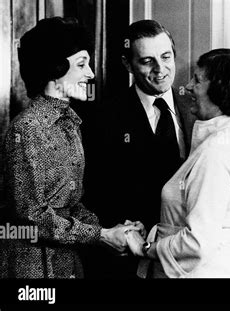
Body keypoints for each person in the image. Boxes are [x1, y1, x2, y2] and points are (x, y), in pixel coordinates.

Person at [0, 17, 141, 279]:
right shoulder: (27, 129)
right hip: (33, 269)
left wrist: (115, 231)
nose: (91, 74)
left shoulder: (70, 123)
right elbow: (31, 218)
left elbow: (72, 205)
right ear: (55, 67)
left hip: (67, 263)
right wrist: (101, 235)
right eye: (82, 64)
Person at [124, 48, 230, 278]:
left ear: (219, 89)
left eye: (198, 79)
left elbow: (198, 242)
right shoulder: (223, 138)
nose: (189, 86)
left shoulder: (217, 153)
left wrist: (146, 248)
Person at [81, 20, 196, 279]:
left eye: (166, 57)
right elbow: (94, 189)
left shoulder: (197, 110)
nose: (160, 70)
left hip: (184, 256)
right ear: (127, 64)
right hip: (127, 260)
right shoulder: (104, 117)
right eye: (147, 61)